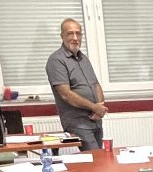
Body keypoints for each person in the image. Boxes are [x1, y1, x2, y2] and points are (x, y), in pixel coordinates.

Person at [46, 17, 108, 150]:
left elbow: (96, 85)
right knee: (95, 158)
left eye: (78, 33)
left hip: (96, 120)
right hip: (78, 123)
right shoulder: (56, 60)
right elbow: (66, 94)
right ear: (62, 36)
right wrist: (95, 108)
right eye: (70, 33)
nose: (75, 38)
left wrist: (100, 107)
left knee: (100, 158)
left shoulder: (83, 58)